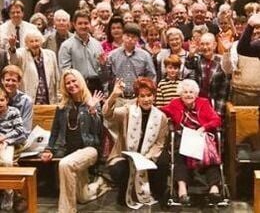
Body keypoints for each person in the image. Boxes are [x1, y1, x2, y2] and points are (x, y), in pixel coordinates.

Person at [41, 69, 108, 213]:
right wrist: (48, 149)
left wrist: (93, 110)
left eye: (73, 81)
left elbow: (99, 133)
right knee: (83, 197)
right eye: (68, 83)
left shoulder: (92, 102)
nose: (71, 85)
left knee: (65, 164)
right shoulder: (62, 106)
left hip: (89, 150)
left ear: (80, 81)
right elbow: (55, 131)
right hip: (69, 151)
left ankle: (67, 210)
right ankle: (100, 184)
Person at [103, 77, 169, 209]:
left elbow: (160, 143)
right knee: (118, 170)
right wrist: (114, 95)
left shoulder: (161, 116)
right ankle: (126, 191)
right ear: (137, 97)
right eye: (142, 96)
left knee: (163, 161)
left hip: (148, 156)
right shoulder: (128, 110)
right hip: (127, 156)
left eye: (149, 95)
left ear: (154, 96)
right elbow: (107, 114)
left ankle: (157, 192)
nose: (146, 99)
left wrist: (147, 157)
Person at [161, 79, 222, 205]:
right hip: (183, 138)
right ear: (180, 94)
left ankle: (214, 189)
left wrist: (203, 128)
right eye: (185, 92)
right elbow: (161, 110)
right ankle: (182, 191)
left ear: (196, 94)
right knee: (179, 155)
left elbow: (216, 120)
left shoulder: (204, 103)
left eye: (191, 92)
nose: (188, 95)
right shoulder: (175, 103)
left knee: (211, 158)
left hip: (201, 136)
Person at [106, 22, 156, 102]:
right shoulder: (112, 55)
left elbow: (151, 76)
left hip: (137, 98)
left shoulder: (145, 56)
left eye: (133, 37)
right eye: (127, 36)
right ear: (122, 36)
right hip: (118, 98)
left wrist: (146, 93)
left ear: (138, 39)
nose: (130, 39)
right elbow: (107, 77)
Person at [59, 9, 106, 94]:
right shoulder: (66, 46)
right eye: (80, 23)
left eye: (86, 23)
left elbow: (102, 71)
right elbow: (65, 71)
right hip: (76, 87)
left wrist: (103, 65)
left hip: (96, 86)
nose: (83, 26)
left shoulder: (97, 44)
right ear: (74, 24)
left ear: (90, 24)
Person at [8, 29, 60, 104]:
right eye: (31, 41)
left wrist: (58, 97)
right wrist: (12, 47)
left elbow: (56, 77)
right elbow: (14, 60)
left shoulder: (50, 54)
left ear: (41, 41)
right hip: (29, 99)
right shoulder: (22, 53)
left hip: (49, 98)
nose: (34, 44)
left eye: (37, 41)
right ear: (26, 44)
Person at [185, 32, 230, 116]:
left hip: (215, 104)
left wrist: (218, 114)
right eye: (202, 44)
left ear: (214, 45)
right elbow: (189, 65)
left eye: (207, 44)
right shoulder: (198, 58)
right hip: (199, 103)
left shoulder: (222, 60)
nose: (205, 47)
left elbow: (224, 89)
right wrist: (191, 54)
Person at [222, 13, 260, 105]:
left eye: (258, 29)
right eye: (254, 28)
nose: (256, 32)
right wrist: (226, 52)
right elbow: (228, 70)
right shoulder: (238, 45)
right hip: (241, 94)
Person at [0, 87, 26, 211]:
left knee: (7, 163)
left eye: (1, 100)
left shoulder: (13, 112)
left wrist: (5, 138)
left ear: (7, 100)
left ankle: (9, 193)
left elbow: (20, 130)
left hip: (10, 142)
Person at [1, 65, 33, 136]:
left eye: (14, 80)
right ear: (2, 81)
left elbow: (25, 131)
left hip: (17, 140)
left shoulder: (26, 101)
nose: (10, 83)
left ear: (19, 82)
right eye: (7, 80)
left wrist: (6, 140)